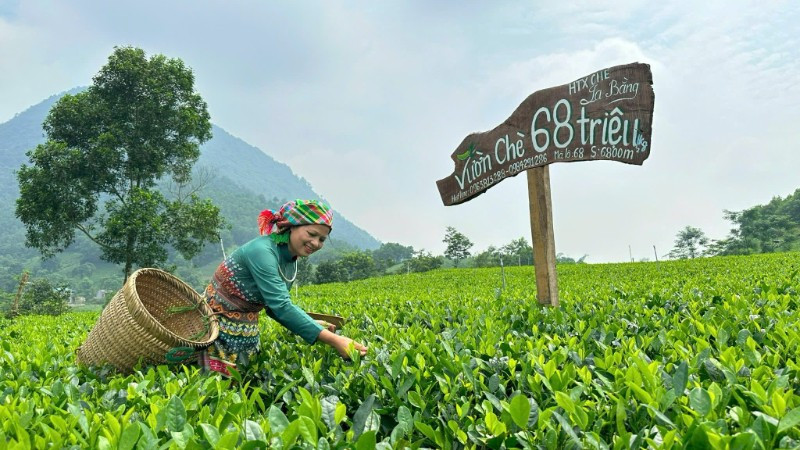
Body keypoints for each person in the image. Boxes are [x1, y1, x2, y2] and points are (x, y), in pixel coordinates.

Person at [199, 199, 367, 376]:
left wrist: (313, 325)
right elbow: (281, 307)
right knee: (212, 390)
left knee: (242, 387)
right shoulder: (262, 251)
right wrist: (335, 340)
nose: (316, 243)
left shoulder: (290, 259)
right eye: (311, 233)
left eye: (322, 239)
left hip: (246, 331)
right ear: (292, 226)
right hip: (215, 327)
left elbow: (273, 308)